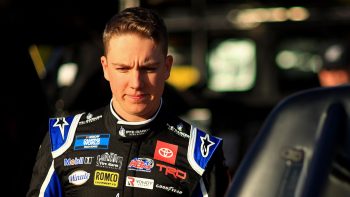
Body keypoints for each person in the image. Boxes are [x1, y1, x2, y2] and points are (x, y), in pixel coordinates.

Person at [26, 7, 230, 197]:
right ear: (105, 68)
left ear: (167, 67)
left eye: (148, 69)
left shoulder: (200, 153)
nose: (136, 83)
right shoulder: (63, 139)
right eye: (123, 68)